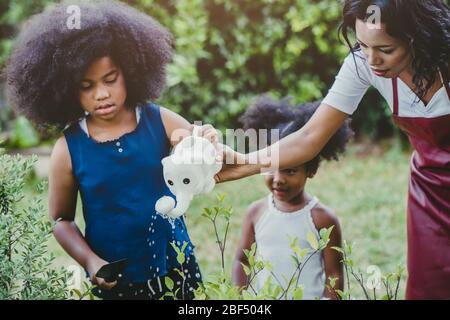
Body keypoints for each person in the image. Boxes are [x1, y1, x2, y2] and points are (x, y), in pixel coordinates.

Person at [217, 0, 450, 299]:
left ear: (417, 37)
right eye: (363, 45)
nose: (372, 59)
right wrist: (242, 163)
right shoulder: (362, 65)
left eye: (386, 49)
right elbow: (310, 137)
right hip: (430, 191)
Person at [6, 0, 217, 300]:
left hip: (175, 271)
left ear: (129, 71)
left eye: (110, 79)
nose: (101, 93)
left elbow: (199, 150)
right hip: (117, 285)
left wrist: (205, 139)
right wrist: (90, 261)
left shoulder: (160, 120)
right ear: (66, 89)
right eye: (86, 85)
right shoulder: (68, 149)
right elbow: (61, 220)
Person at [232, 97, 350, 299]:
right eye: (270, 168)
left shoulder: (323, 220)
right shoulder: (255, 213)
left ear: (310, 170)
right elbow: (242, 260)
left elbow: (334, 276)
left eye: (290, 171)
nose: (278, 179)